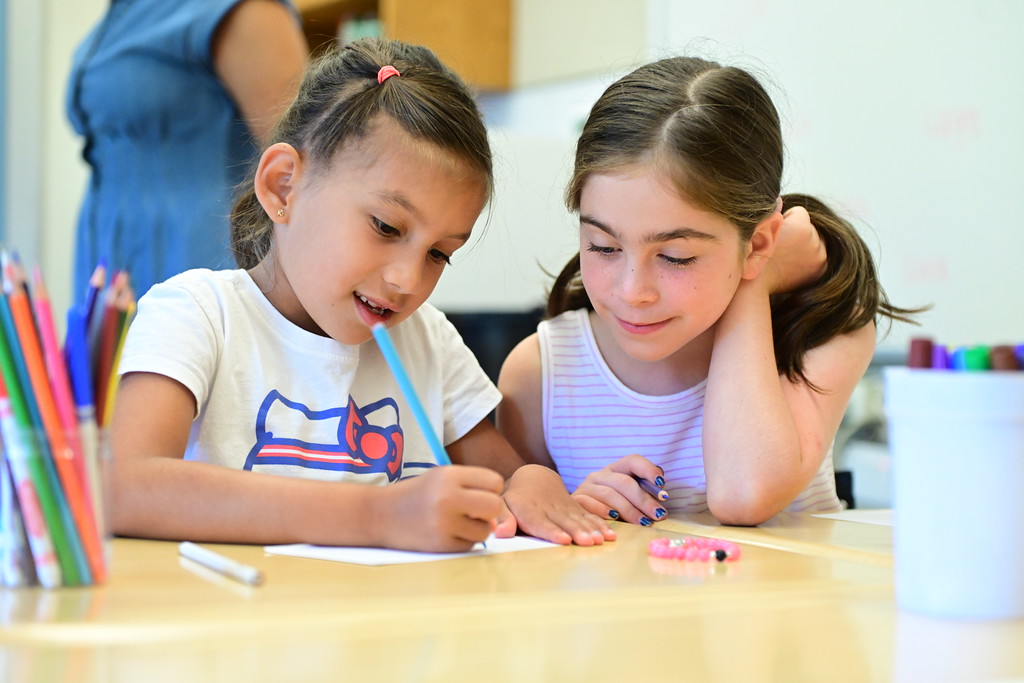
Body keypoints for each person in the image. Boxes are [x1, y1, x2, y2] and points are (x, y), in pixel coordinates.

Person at [109, 38, 615, 552]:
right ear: (284, 187)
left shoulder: (429, 341)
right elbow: (126, 488)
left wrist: (531, 482)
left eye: (439, 253)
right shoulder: (197, 314)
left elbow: (504, 479)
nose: (407, 279)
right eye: (386, 226)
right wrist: (377, 516)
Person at [497, 56, 919, 527]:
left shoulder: (820, 332)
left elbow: (744, 493)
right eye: (604, 246)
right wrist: (575, 506)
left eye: (675, 256)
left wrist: (756, 283)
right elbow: (525, 548)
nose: (633, 291)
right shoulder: (541, 374)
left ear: (759, 242)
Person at [66, 0, 310, 298]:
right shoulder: (115, 19)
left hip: (201, 279)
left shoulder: (240, 10)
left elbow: (308, 177)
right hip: (107, 290)